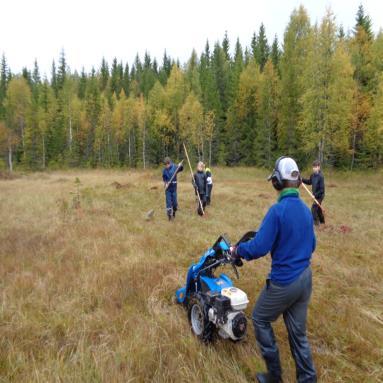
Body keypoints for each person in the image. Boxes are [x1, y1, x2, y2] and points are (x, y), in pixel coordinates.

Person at [231, 156, 317, 383]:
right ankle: (308, 379)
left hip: (284, 282)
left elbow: (259, 247)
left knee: (259, 318)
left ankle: (274, 376)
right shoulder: (306, 211)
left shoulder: (277, 211)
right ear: (298, 182)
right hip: (305, 279)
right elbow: (313, 245)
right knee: (299, 335)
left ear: (277, 182)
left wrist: (237, 250)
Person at [302, 160, 325, 226]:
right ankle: (322, 222)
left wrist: (315, 195)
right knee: (318, 209)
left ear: (319, 167)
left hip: (320, 196)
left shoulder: (321, 177)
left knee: (314, 209)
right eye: (313, 167)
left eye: (316, 167)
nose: (314, 168)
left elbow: (322, 189)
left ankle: (316, 224)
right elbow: (309, 182)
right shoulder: (313, 175)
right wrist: (302, 179)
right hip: (315, 195)